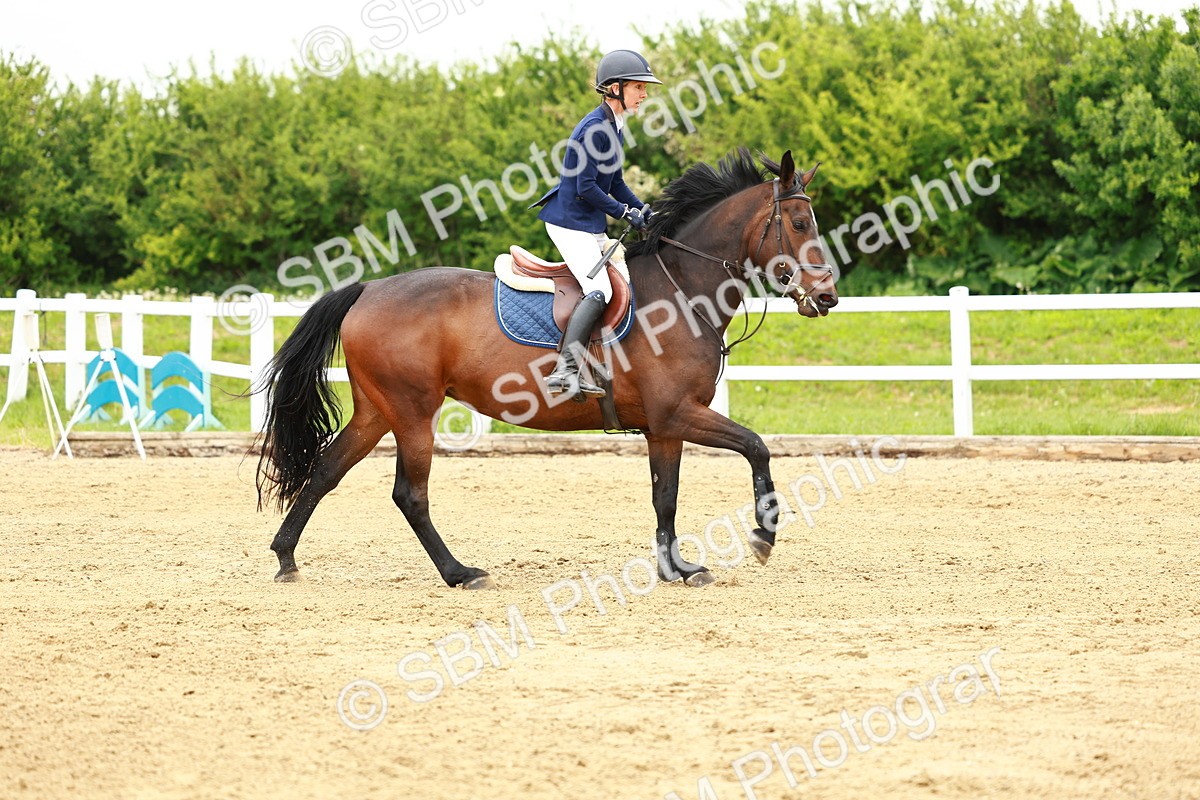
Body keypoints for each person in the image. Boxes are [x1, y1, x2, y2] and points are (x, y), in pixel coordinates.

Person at [530, 49, 662, 398]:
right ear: (615, 88)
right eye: (638, 87)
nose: (644, 94)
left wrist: (641, 209)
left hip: (586, 222)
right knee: (600, 290)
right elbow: (586, 187)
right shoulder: (594, 129)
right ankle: (565, 369)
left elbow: (614, 182)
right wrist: (623, 213)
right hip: (570, 223)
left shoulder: (613, 126)